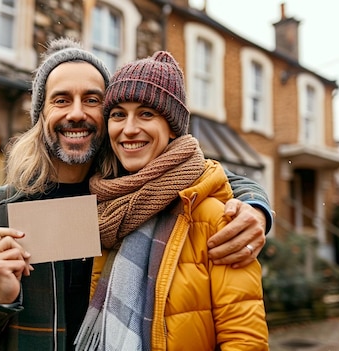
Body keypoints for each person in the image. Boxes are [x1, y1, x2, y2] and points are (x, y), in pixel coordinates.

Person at [0, 38, 271, 350]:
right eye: (60, 100)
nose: (76, 113)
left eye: (91, 100)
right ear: (40, 114)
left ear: (107, 116)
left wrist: (255, 207)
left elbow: (203, 176)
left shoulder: (132, 199)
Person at [74, 51, 268, 350]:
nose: (129, 129)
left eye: (146, 114)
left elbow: (245, 341)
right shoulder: (101, 208)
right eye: (118, 114)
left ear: (172, 128)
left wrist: (258, 206)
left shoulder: (217, 217)